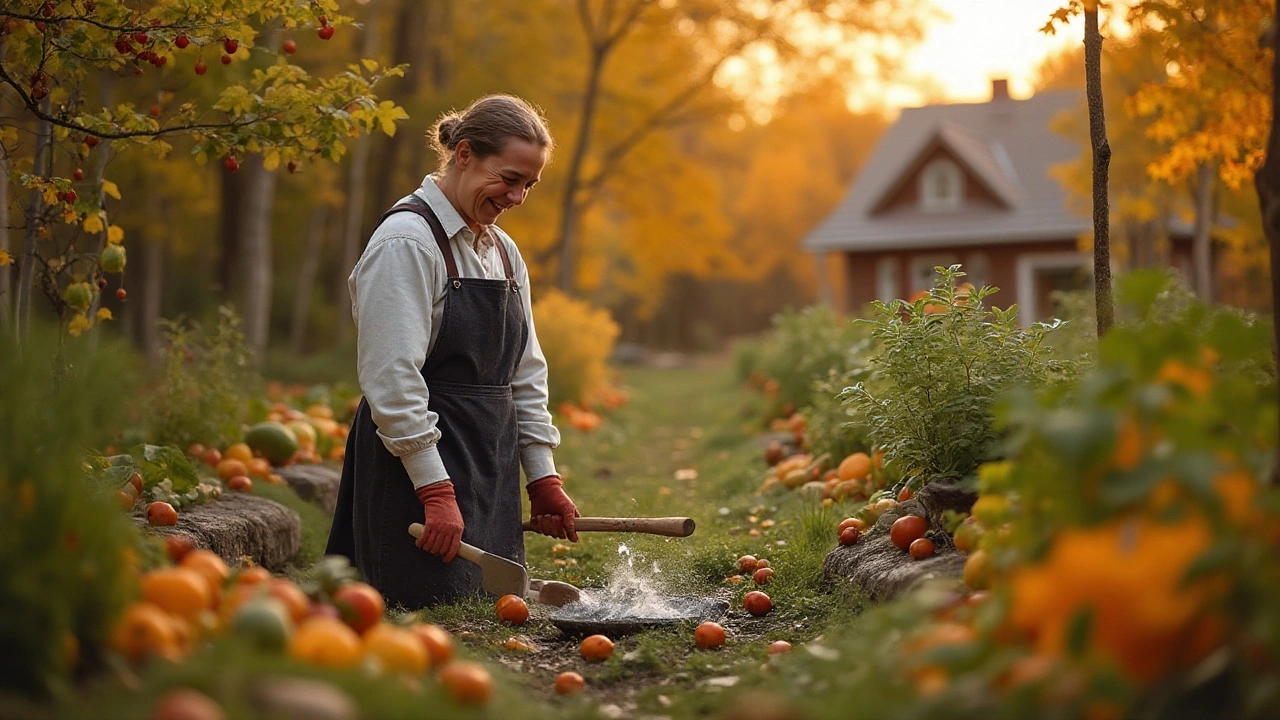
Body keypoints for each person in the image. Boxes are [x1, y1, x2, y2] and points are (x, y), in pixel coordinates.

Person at [326, 94, 581, 609]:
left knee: (484, 610)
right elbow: (391, 378)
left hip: (488, 463)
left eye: (529, 184)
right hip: (415, 473)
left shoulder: (503, 253)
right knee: (418, 613)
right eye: (509, 178)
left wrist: (543, 475)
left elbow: (524, 372)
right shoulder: (407, 243)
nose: (517, 197)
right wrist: (435, 491)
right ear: (463, 154)